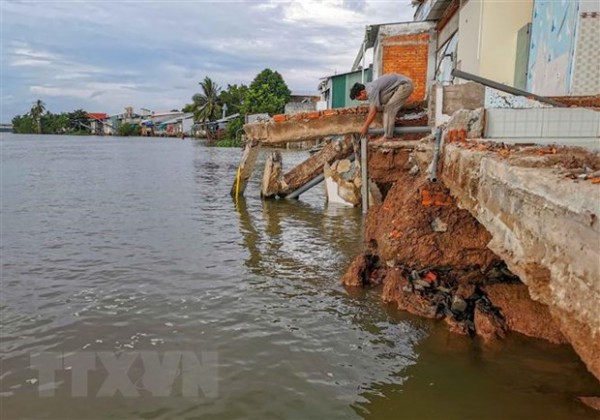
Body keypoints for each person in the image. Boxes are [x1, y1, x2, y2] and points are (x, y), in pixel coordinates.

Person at [349, 73, 413, 142]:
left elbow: (373, 111)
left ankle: (388, 137)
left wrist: (365, 127)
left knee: (389, 109)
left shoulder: (371, 91)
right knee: (383, 106)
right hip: (398, 86)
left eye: (360, 99)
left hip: (404, 85)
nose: (362, 100)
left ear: (362, 92)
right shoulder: (368, 87)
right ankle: (388, 130)